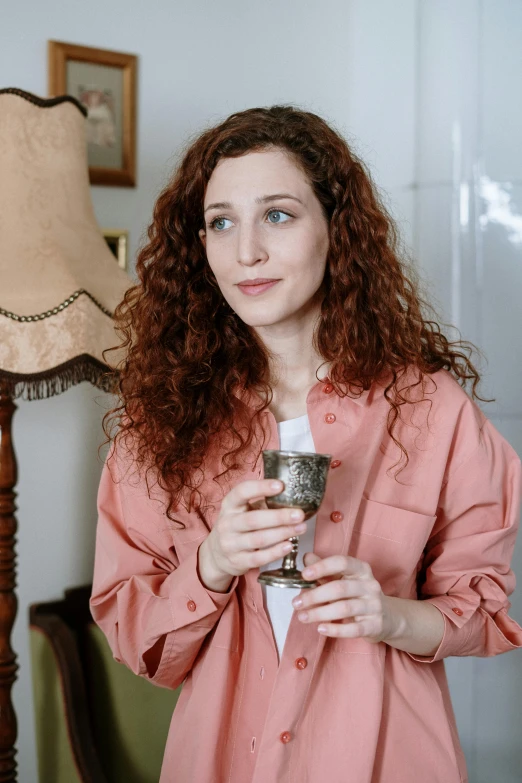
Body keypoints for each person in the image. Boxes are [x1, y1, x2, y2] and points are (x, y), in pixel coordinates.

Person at [90, 105, 522, 783]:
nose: (246, 251)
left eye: (279, 214)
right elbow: (138, 642)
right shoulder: (158, 424)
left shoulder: (434, 411)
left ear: (337, 229)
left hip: (388, 757)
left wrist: (388, 614)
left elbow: (483, 608)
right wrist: (210, 562)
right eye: (221, 221)